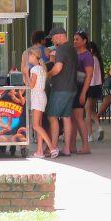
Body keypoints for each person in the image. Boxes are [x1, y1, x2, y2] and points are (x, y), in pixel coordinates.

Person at [44, 27, 79, 155]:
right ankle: (67, 148)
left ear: (59, 36)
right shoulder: (72, 48)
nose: (52, 41)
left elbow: (58, 68)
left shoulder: (62, 49)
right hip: (72, 88)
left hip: (60, 88)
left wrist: (47, 74)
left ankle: (53, 147)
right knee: (66, 117)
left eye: (52, 38)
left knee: (52, 116)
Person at [70, 31, 95, 154]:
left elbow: (89, 76)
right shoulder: (75, 53)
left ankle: (86, 145)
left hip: (80, 88)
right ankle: (72, 145)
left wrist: (83, 93)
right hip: (73, 88)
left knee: (79, 117)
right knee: (72, 118)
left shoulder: (87, 56)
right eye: (74, 39)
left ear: (84, 41)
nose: (75, 41)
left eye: (77, 39)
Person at [26, 50, 53, 157]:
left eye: (29, 56)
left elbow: (31, 85)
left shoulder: (34, 69)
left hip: (37, 97)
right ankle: (40, 150)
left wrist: (25, 77)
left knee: (36, 125)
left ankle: (51, 147)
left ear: (33, 56)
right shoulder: (42, 68)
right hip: (42, 96)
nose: (28, 58)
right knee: (39, 125)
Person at [84, 39, 105, 144]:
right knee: (89, 110)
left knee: (87, 112)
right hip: (96, 87)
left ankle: (89, 135)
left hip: (89, 86)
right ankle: (98, 126)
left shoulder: (90, 59)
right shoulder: (97, 59)